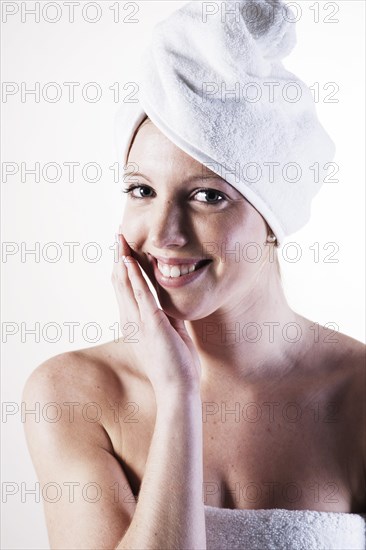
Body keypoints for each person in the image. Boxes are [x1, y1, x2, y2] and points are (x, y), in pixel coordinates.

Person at [23, 1, 366, 549]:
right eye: (141, 190)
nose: (164, 233)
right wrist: (178, 396)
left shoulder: (356, 393)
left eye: (208, 196)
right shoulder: (74, 392)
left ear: (274, 219)